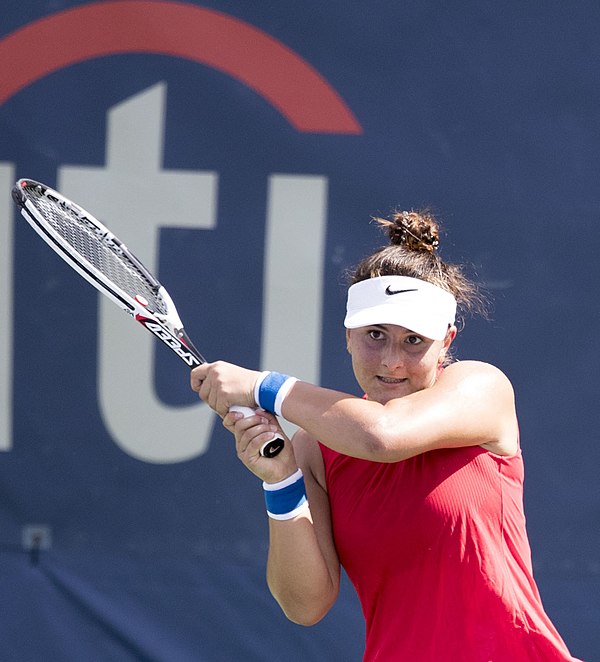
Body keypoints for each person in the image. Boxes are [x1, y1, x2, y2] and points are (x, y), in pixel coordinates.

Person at [191, 209, 582, 661]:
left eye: (414, 340)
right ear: (348, 338)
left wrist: (262, 386)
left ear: (447, 342)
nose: (391, 360)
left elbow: (383, 435)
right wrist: (280, 477)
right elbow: (305, 604)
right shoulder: (316, 449)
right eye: (375, 335)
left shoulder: (482, 388)